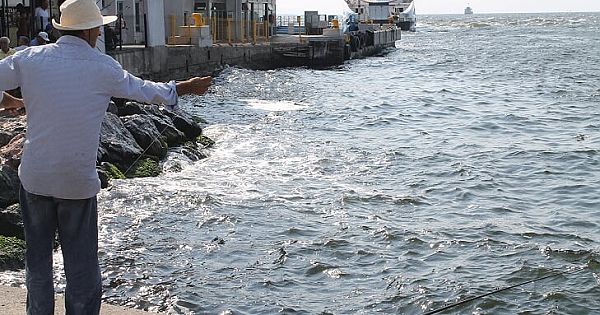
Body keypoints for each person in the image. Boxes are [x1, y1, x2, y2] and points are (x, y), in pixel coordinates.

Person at [0, 0, 212, 314]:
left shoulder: (30, 58)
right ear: (90, 30)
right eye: (99, 26)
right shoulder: (102, 66)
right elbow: (143, 90)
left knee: (38, 265)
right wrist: (183, 87)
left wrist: (9, 101)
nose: (101, 30)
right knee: (82, 266)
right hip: (77, 182)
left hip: (36, 178)